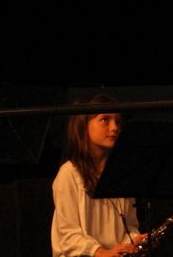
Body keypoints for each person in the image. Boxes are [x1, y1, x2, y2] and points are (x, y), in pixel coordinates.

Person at [51, 93, 146, 257]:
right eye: (105, 120)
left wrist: (134, 241)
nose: (114, 128)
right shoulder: (69, 173)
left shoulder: (121, 173)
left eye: (118, 122)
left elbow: (129, 225)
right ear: (83, 125)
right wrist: (100, 252)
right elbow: (68, 235)